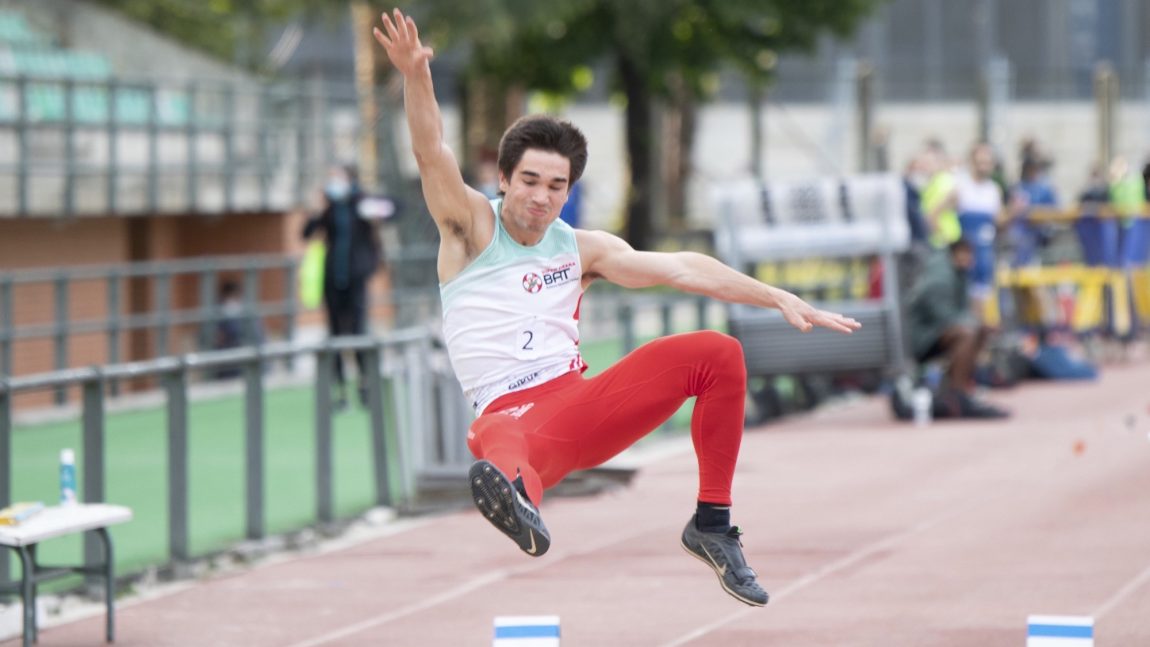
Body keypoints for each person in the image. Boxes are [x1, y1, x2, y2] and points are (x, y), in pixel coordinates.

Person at [373, 8, 860, 608]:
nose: (540, 196)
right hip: (510, 418)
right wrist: (416, 76)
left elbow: (684, 267)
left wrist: (776, 294)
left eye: (556, 186)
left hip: (581, 405)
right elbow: (430, 153)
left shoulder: (583, 250)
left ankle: (711, 522)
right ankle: (517, 500)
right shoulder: (470, 230)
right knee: (500, 441)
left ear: (569, 192)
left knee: (717, 354)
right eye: (529, 181)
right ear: (503, 179)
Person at [302, 164, 395, 409]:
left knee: (358, 331)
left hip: (356, 278)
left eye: (338, 178)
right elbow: (307, 233)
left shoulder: (361, 203)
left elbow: (393, 210)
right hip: (332, 279)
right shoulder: (328, 208)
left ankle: (364, 386)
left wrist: (376, 212)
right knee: (334, 335)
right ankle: (340, 390)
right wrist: (316, 211)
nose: (334, 183)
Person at [907, 239, 1009, 419]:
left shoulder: (958, 271)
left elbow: (962, 311)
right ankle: (958, 393)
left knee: (978, 331)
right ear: (957, 253)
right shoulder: (940, 275)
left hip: (940, 331)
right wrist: (973, 323)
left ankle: (961, 387)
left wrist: (980, 323)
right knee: (967, 333)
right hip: (923, 337)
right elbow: (942, 316)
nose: (970, 260)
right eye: (967, 255)